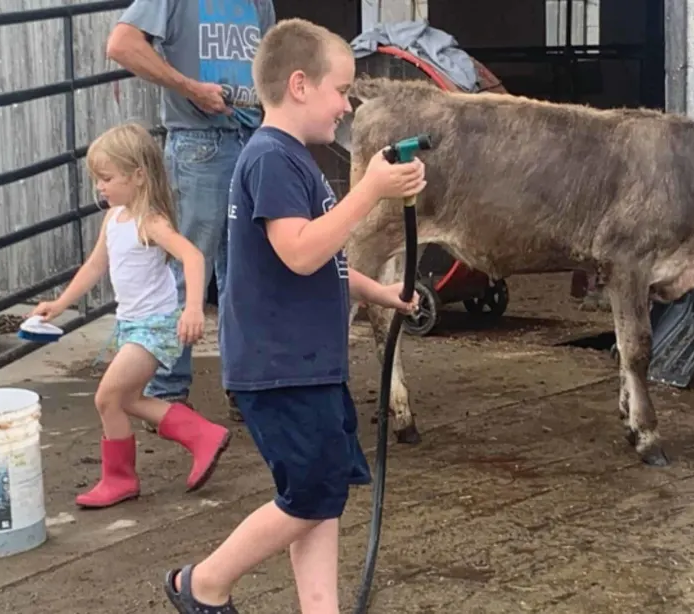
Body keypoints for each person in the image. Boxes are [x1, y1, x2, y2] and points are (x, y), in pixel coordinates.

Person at [161, 18, 427, 614]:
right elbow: (300, 251)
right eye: (341, 91)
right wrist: (371, 192)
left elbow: (321, 256)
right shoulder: (271, 159)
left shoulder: (293, 159)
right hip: (281, 367)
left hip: (308, 363)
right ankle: (201, 583)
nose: (345, 106)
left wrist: (381, 294)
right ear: (301, 85)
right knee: (309, 496)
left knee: (321, 494)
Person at [30, 122, 232, 509]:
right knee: (129, 399)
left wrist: (192, 308)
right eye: (97, 180)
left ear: (138, 176)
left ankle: (120, 479)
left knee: (107, 397)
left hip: (155, 326)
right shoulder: (114, 218)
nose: (100, 188)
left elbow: (193, 255)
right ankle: (201, 435)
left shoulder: (150, 220)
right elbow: (93, 267)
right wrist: (59, 304)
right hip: (131, 325)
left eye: (106, 178)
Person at [106, 0, 277, 423]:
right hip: (200, 141)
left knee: (245, 270)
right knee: (186, 269)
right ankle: (166, 393)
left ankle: (245, 385)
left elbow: (272, 60)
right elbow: (122, 44)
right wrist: (189, 88)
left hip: (251, 135)